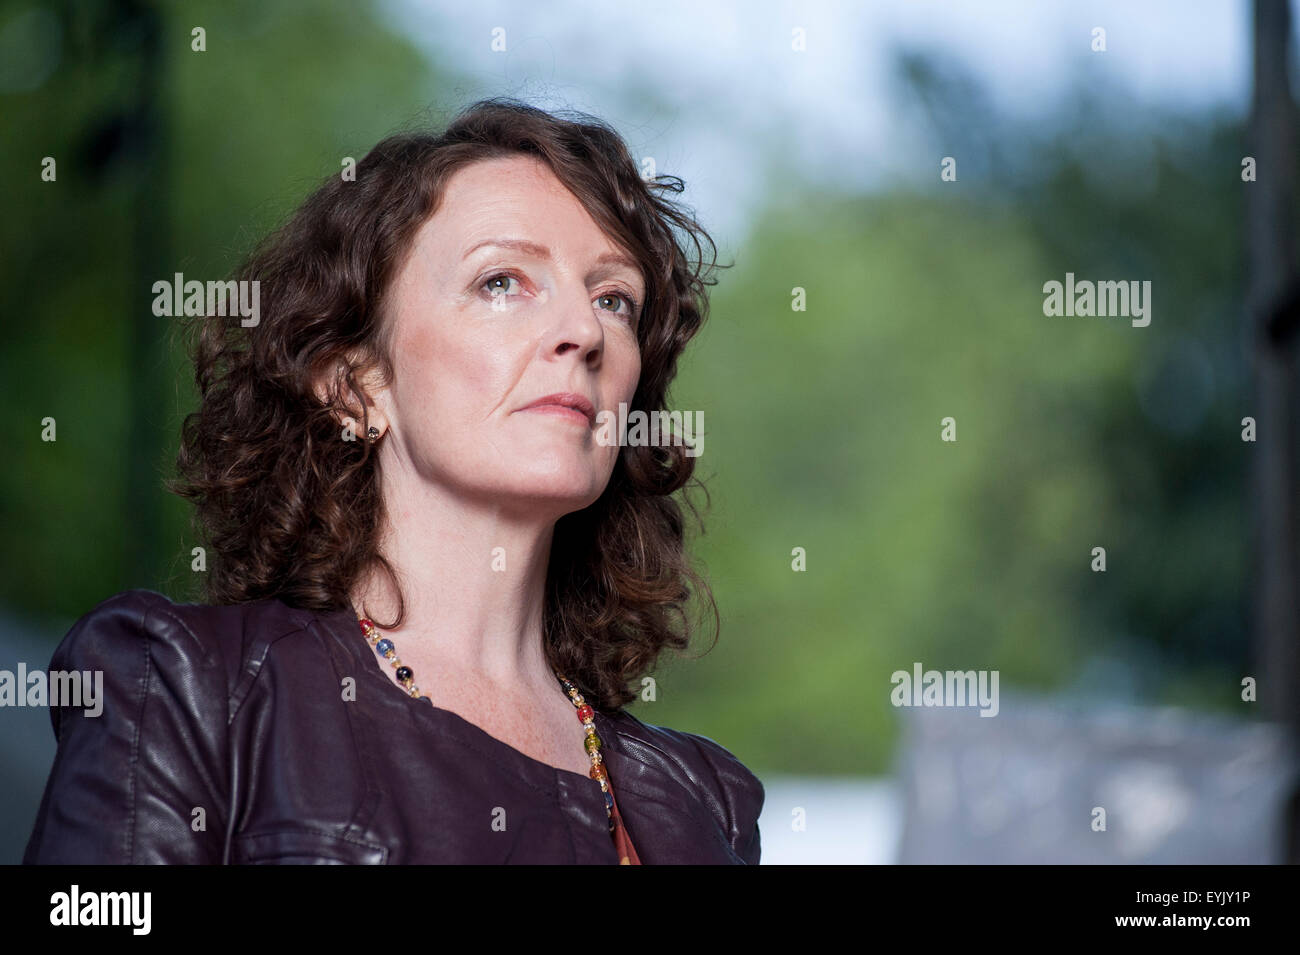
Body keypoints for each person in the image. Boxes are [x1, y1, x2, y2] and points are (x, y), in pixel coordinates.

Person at [22, 97, 763, 864]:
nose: (581, 331)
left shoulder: (705, 800)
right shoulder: (184, 689)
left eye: (614, 299)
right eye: (502, 281)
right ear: (355, 384)